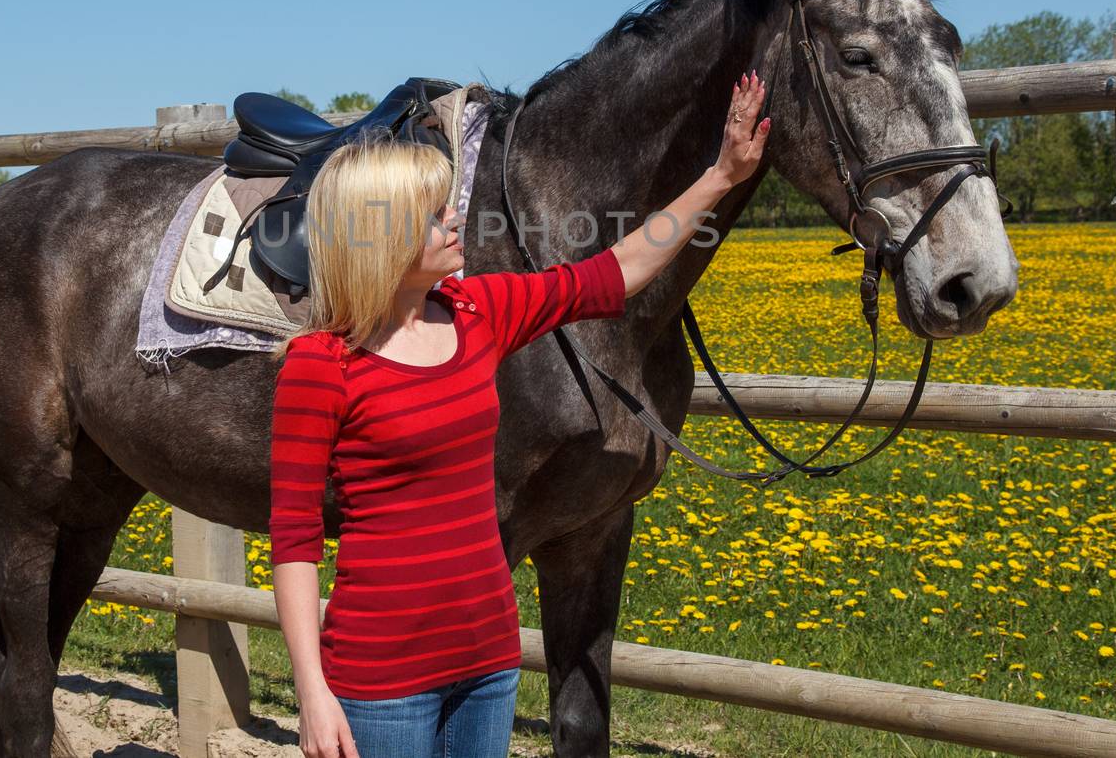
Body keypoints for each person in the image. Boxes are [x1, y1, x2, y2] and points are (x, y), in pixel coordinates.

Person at [269, 72, 771, 758]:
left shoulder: (480, 310)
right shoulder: (320, 364)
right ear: (378, 232)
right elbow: (295, 540)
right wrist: (312, 690)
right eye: (433, 210)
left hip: (488, 664)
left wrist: (721, 174)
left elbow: (616, 270)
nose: (455, 219)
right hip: (379, 680)